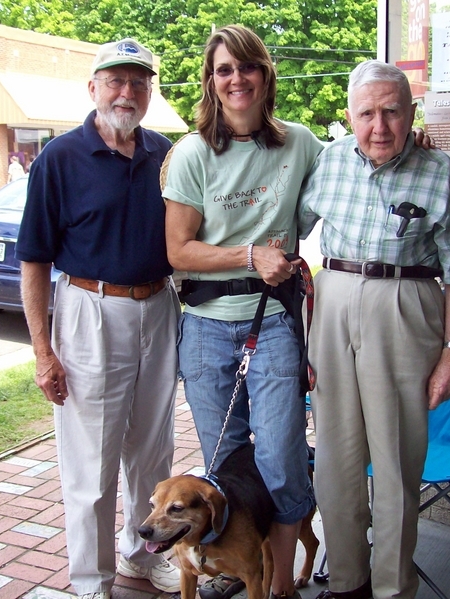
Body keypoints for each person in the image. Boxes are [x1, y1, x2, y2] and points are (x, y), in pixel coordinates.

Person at [298, 60, 450, 599]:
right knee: (334, 457)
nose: (379, 127)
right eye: (367, 114)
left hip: (406, 304)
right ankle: (348, 581)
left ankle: (392, 588)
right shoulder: (327, 161)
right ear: (350, 116)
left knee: (398, 461)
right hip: (333, 297)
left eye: (392, 112)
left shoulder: (436, 169)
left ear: (410, 113)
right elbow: (288, 230)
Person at [16, 37, 180, 599]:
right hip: (91, 310)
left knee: (152, 450)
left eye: (138, 81)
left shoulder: (166, 153)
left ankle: (141, 556)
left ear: (150, 92)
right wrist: (44, 353)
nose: (126, 91)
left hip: (159, 307)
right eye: (115, 80)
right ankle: (92, 580)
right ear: (93, 88)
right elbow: (34, 262)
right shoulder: (59, 158)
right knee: (92, 461)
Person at [163, 25, 321, 599]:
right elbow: (177, 249)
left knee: (280, 457)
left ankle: (278, 587)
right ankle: (238, 567)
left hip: (274, 321)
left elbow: (356, 167)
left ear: (265, 75)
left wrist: (411, 144)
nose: (236, 79)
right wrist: (249, 254)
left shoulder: (300, 143)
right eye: (224, 70)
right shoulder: (192, 153)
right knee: (227, 460)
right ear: (211, 80)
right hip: (205, 326)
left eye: (247, 67)